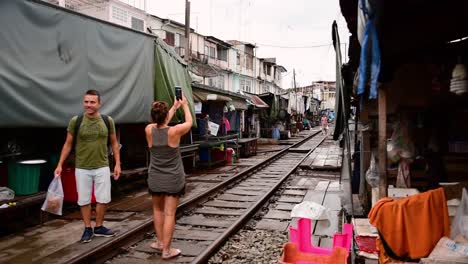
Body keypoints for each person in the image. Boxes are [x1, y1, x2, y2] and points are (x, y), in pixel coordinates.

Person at [54, 89, 121, 243]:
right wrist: (59, 164)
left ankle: (98, 226)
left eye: (92, 102)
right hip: (82, 167)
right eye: (86, 102)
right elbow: (68, 144)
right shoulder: (76, 121)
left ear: (99, 103)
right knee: (83, 200)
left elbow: (114, 143)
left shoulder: (107, 120)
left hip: (102, 165)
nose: (88, 105)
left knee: (103, 198)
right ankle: (87, 228)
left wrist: (117, 163)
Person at [145, 94, 192, 260]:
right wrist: (184, 105)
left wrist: (173, 107)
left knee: (157, 210)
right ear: (166, 116)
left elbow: (161, 122)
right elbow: (189, 122)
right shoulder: (174, 131)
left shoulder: (149, 130)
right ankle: (166, 250)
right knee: (169, 214)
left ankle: (159, 242)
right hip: (173, 177)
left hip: (155, 177)